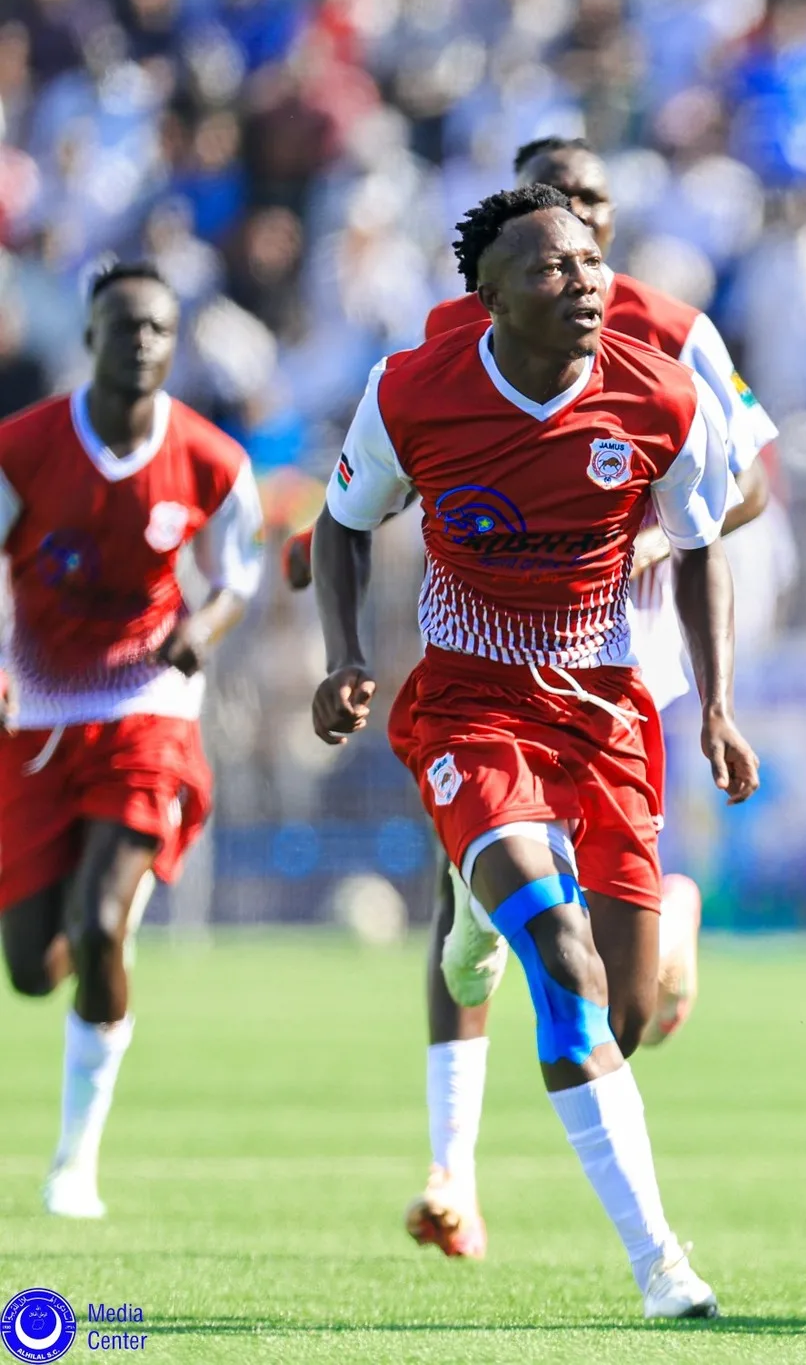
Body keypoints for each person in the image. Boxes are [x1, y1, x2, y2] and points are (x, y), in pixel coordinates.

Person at [310, 185, 756, 1320]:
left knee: (622, 1017)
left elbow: (703, 543)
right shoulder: (411, 391)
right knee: (562, 956)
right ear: (492, 297)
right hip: (471, 705)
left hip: (606, 715)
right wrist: (345, 655)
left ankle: (482, 909)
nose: (585, 282)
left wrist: (714, 705)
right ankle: (662, 1265)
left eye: (591, 261)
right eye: (552, 268)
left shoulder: (663, 394)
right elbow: (341, 524)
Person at [0, 261, 263, 1218]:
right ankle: (86, 931)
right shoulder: (24, 448)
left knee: (102, 921)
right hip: (37, 717)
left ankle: (75, 1162)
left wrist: (204, 629)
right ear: (90, 338)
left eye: (158, 328)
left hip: (149, 707)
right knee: (32, 968)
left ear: (174, 342)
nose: (142, 343)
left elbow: (238, 575)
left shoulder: (210, 458)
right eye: (125, 327)